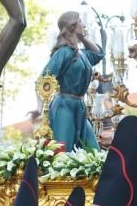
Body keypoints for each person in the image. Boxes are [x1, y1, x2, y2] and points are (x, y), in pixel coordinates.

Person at [37, 10, 104, 151]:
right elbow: (43, 80)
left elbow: (98, 54)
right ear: (72, 26)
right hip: (64, 106)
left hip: (80, 107)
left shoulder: (82, 54)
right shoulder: (63, 53)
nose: (83, 24)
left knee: (94, 152)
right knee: (63, 151)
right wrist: (40, 108)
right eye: (80, 21)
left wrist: (83, 38)